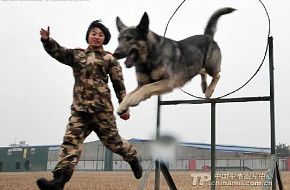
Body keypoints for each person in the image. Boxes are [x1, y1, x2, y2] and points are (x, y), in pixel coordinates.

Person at [37, 20, 143, 190]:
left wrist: (124, 107)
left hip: (102, 112)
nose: (96, 37)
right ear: (88, 36)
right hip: (80, 111)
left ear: (105, 39)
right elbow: (59, 52)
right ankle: (59, 181)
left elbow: (119, 85)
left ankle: (132, 157)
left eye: (100, 35)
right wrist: (47, 40)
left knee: (114, 143)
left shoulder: (110, 59)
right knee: (70, 143)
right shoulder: (77, 55)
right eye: (93, 33)